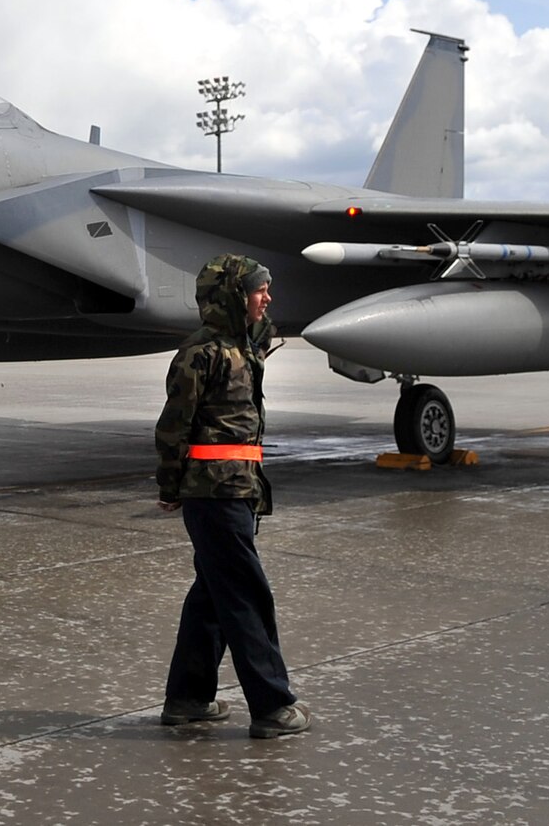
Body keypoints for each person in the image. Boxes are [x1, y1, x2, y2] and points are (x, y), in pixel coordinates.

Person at [154, 254, 312, 739]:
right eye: (258, 290)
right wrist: (170, 485)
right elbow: (173, 425)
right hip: (214, 495)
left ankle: (188, 698)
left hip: (235, 490)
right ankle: (271, 704)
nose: (267, 297)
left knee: (212, 597)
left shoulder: (241, 349)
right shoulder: (201, 354)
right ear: (232, 296)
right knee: (246, 596)